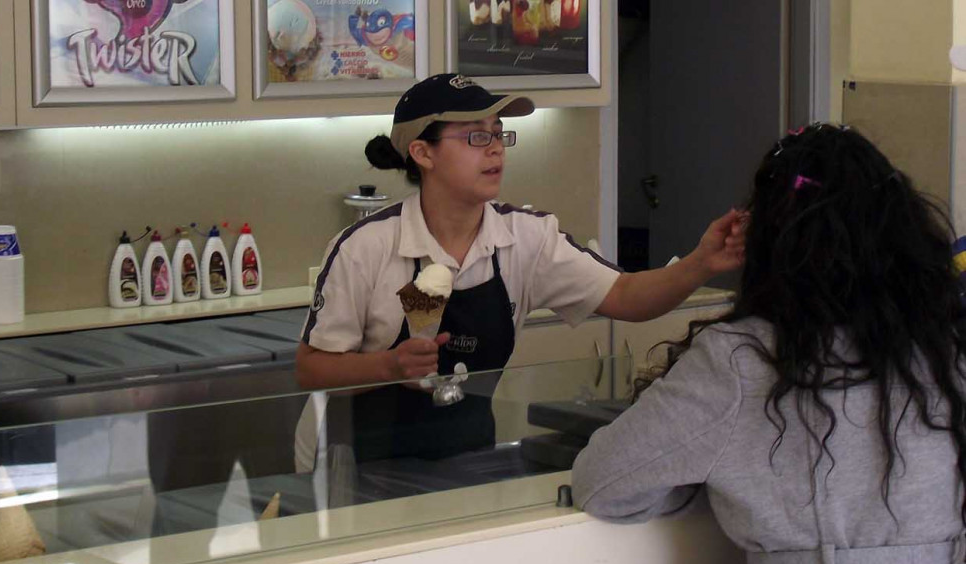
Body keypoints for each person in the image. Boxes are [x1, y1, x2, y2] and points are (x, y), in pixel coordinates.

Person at [572, 124, 966, 564]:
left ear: (769, 240)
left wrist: (703, 479)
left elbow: (604, 482)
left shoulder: (741, 361)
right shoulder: (945, 347)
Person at [295, 73, 744, 463]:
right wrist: (390, 366)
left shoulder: (527, 239)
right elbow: (312, 370)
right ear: (423, 153)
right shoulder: (365, 247)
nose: (495, 149)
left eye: (499, 132)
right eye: (475, 136)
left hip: (468, 457)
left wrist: (700, 263)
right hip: (356, 464)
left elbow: (627, 296)